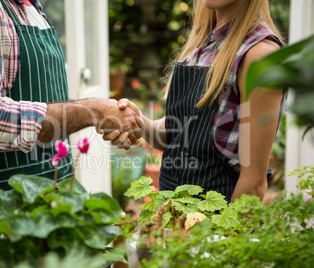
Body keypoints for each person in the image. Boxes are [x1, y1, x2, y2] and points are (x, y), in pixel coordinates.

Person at [0, 0, 142, 265]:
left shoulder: (31, 8)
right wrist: (93, 111)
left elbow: (47, 102)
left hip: (57, 202)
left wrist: (105, 114)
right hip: (6, 215)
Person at [104, 0, 285, 203]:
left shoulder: (259, 55)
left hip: (216, 225)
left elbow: (254, 184)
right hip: (174, 219)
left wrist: (221, 235)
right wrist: (136, 119)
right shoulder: (204, 46)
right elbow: (176, 134)